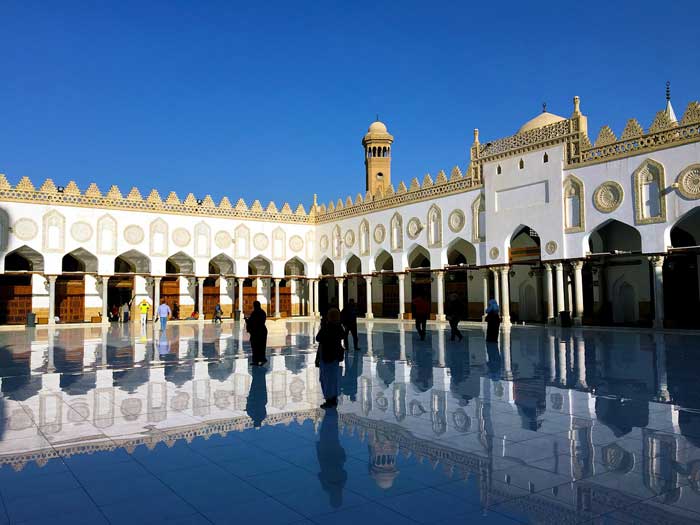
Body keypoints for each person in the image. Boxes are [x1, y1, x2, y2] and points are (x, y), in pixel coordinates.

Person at [316, 409, 347, 509]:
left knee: (331, 431)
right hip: (325, 454)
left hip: (334, 453)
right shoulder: (326, 486)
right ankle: (330, 412)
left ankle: (331, 412)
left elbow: (344, 472)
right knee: (326, 431)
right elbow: (320, 475)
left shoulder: (341, 484)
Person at [315, 307, 345, 409]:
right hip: (335, 357)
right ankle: (333, 398)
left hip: (327, 356)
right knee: (333, 378)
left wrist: (324, 326)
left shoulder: (327, 327)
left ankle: (329, 400)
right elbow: (343, 335)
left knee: (326, 379)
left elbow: (318, 338)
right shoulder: (339, 327)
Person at [246, 301, 268, 366]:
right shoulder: (263, 312)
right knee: (261, 346)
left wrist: (247, 320)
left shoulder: (255, 313)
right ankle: (258, 360)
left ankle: (258, 360)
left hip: (257, 332)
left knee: (256, 347)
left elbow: (252, 322)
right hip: (262, 331)